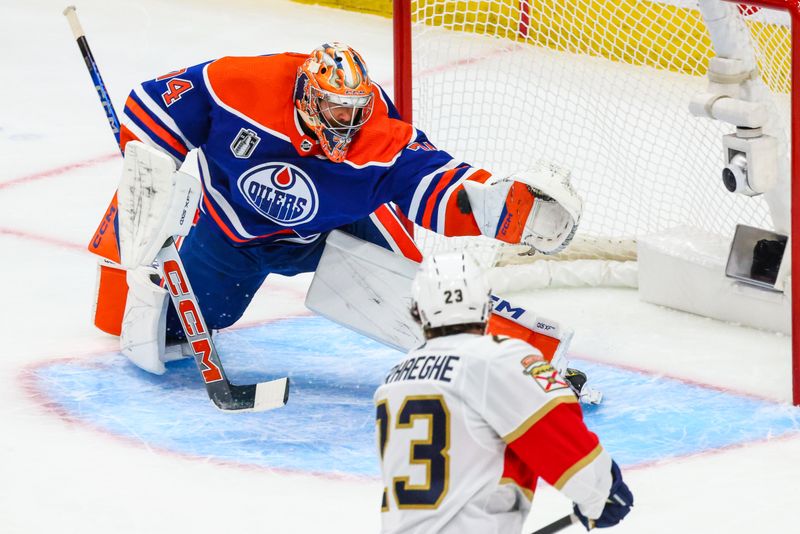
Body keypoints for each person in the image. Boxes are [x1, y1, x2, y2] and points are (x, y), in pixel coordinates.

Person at [87, 42, 582, 375]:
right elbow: (151, 106)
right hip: (231, 232)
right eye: (335, 109)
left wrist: (510, 209)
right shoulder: (240, 85)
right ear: (306, 95)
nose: (347, 123)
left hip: (340, 229)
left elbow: (439, 184)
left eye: (355, 111)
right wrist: (151, 170)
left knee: (424, 305)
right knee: (161, 327)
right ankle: (123, 271)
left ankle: (520, 362)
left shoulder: (381, 135)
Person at [373, 251, 633, 533]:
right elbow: (558, 434)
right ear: (485, 304)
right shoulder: (501, 357)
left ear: (417, 311)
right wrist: (604, 492)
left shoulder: (394, 380)